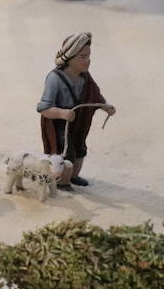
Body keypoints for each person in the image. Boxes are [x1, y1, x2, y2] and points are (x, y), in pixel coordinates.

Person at [37, 32, 115, 189]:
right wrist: (61, 113)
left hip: (79, 121)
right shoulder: (54, 78)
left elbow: (94, 96)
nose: (88, 61)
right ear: (70, 56)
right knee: (66, 152)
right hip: (60, 124)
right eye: (82, 57)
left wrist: (104, 106)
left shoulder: (85, 77)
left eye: (88, 56)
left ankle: (74, 175)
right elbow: (43, 108)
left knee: (80, 148)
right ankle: (62, 181)